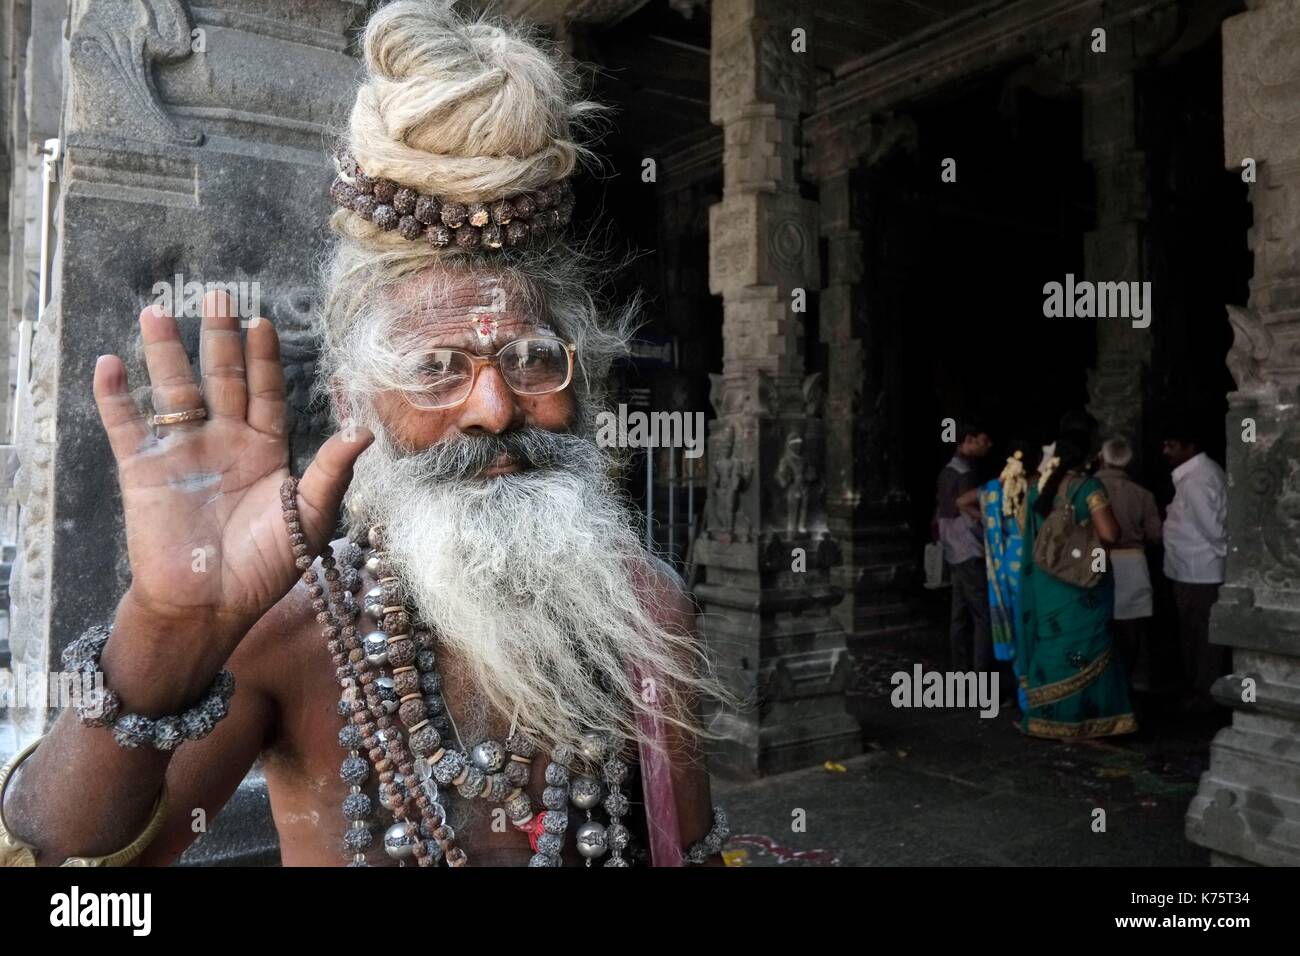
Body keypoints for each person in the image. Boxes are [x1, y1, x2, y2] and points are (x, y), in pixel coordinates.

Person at [0, 3, 731, 868]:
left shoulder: (646, 608)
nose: (493, 410)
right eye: (436, 370)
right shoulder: (293, 631)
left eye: (532, 359)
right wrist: (163, 634)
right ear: (356, 403)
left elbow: (683, 849)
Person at [1018, 430, 1137, 739]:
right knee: (1092, 641)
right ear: (1089, 457)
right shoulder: (1089, 487)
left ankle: (1046, 717)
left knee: (1053, 645)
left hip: (1046, 583)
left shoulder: (1036, 489)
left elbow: (1029, 537)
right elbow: (1110, 534)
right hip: (1084, 579)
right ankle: (1095, 719)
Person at [957, 441, 1042, 710]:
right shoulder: (1039, 489)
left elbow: (961, 501)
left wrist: (987, 521)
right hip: (1033, 559)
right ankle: (1040, 693)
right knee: (1036, 625)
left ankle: (1022, 692)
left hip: (1006, 560)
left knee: (1015, 625)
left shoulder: (995, 489)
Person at [1161, 422, 1228, 711]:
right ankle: (1201, 691)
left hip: (1199, 572)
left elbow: (1213, 529)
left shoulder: (1198, 480)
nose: (1166, 451)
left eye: (1172, 445)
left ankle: (1205, 695)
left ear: (1191, 447)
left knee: (1201, 638)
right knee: (1197, 636)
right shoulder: (1197, 475)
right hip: (1195, 569)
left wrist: (1226, 557)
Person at [1094, 436, 1162, 689]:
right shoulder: (1142, 494)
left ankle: (1102, 681)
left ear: (1102, 458)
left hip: (1098, 559)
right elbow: (1156, 534)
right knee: (1131, 627)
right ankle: (1128, 680)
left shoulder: (1087, 490)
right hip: (1133, 563)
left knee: (1098, 623)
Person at [936, 421, 993, 672]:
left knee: (958, 615)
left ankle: (960, 670)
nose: (988, 446)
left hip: (952, 549)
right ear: (969, 440)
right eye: (983, 440)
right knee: (983, 616)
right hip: (968, 549)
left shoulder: (947, 471)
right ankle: (982, 675)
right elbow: (968, 514)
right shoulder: (965, 474)